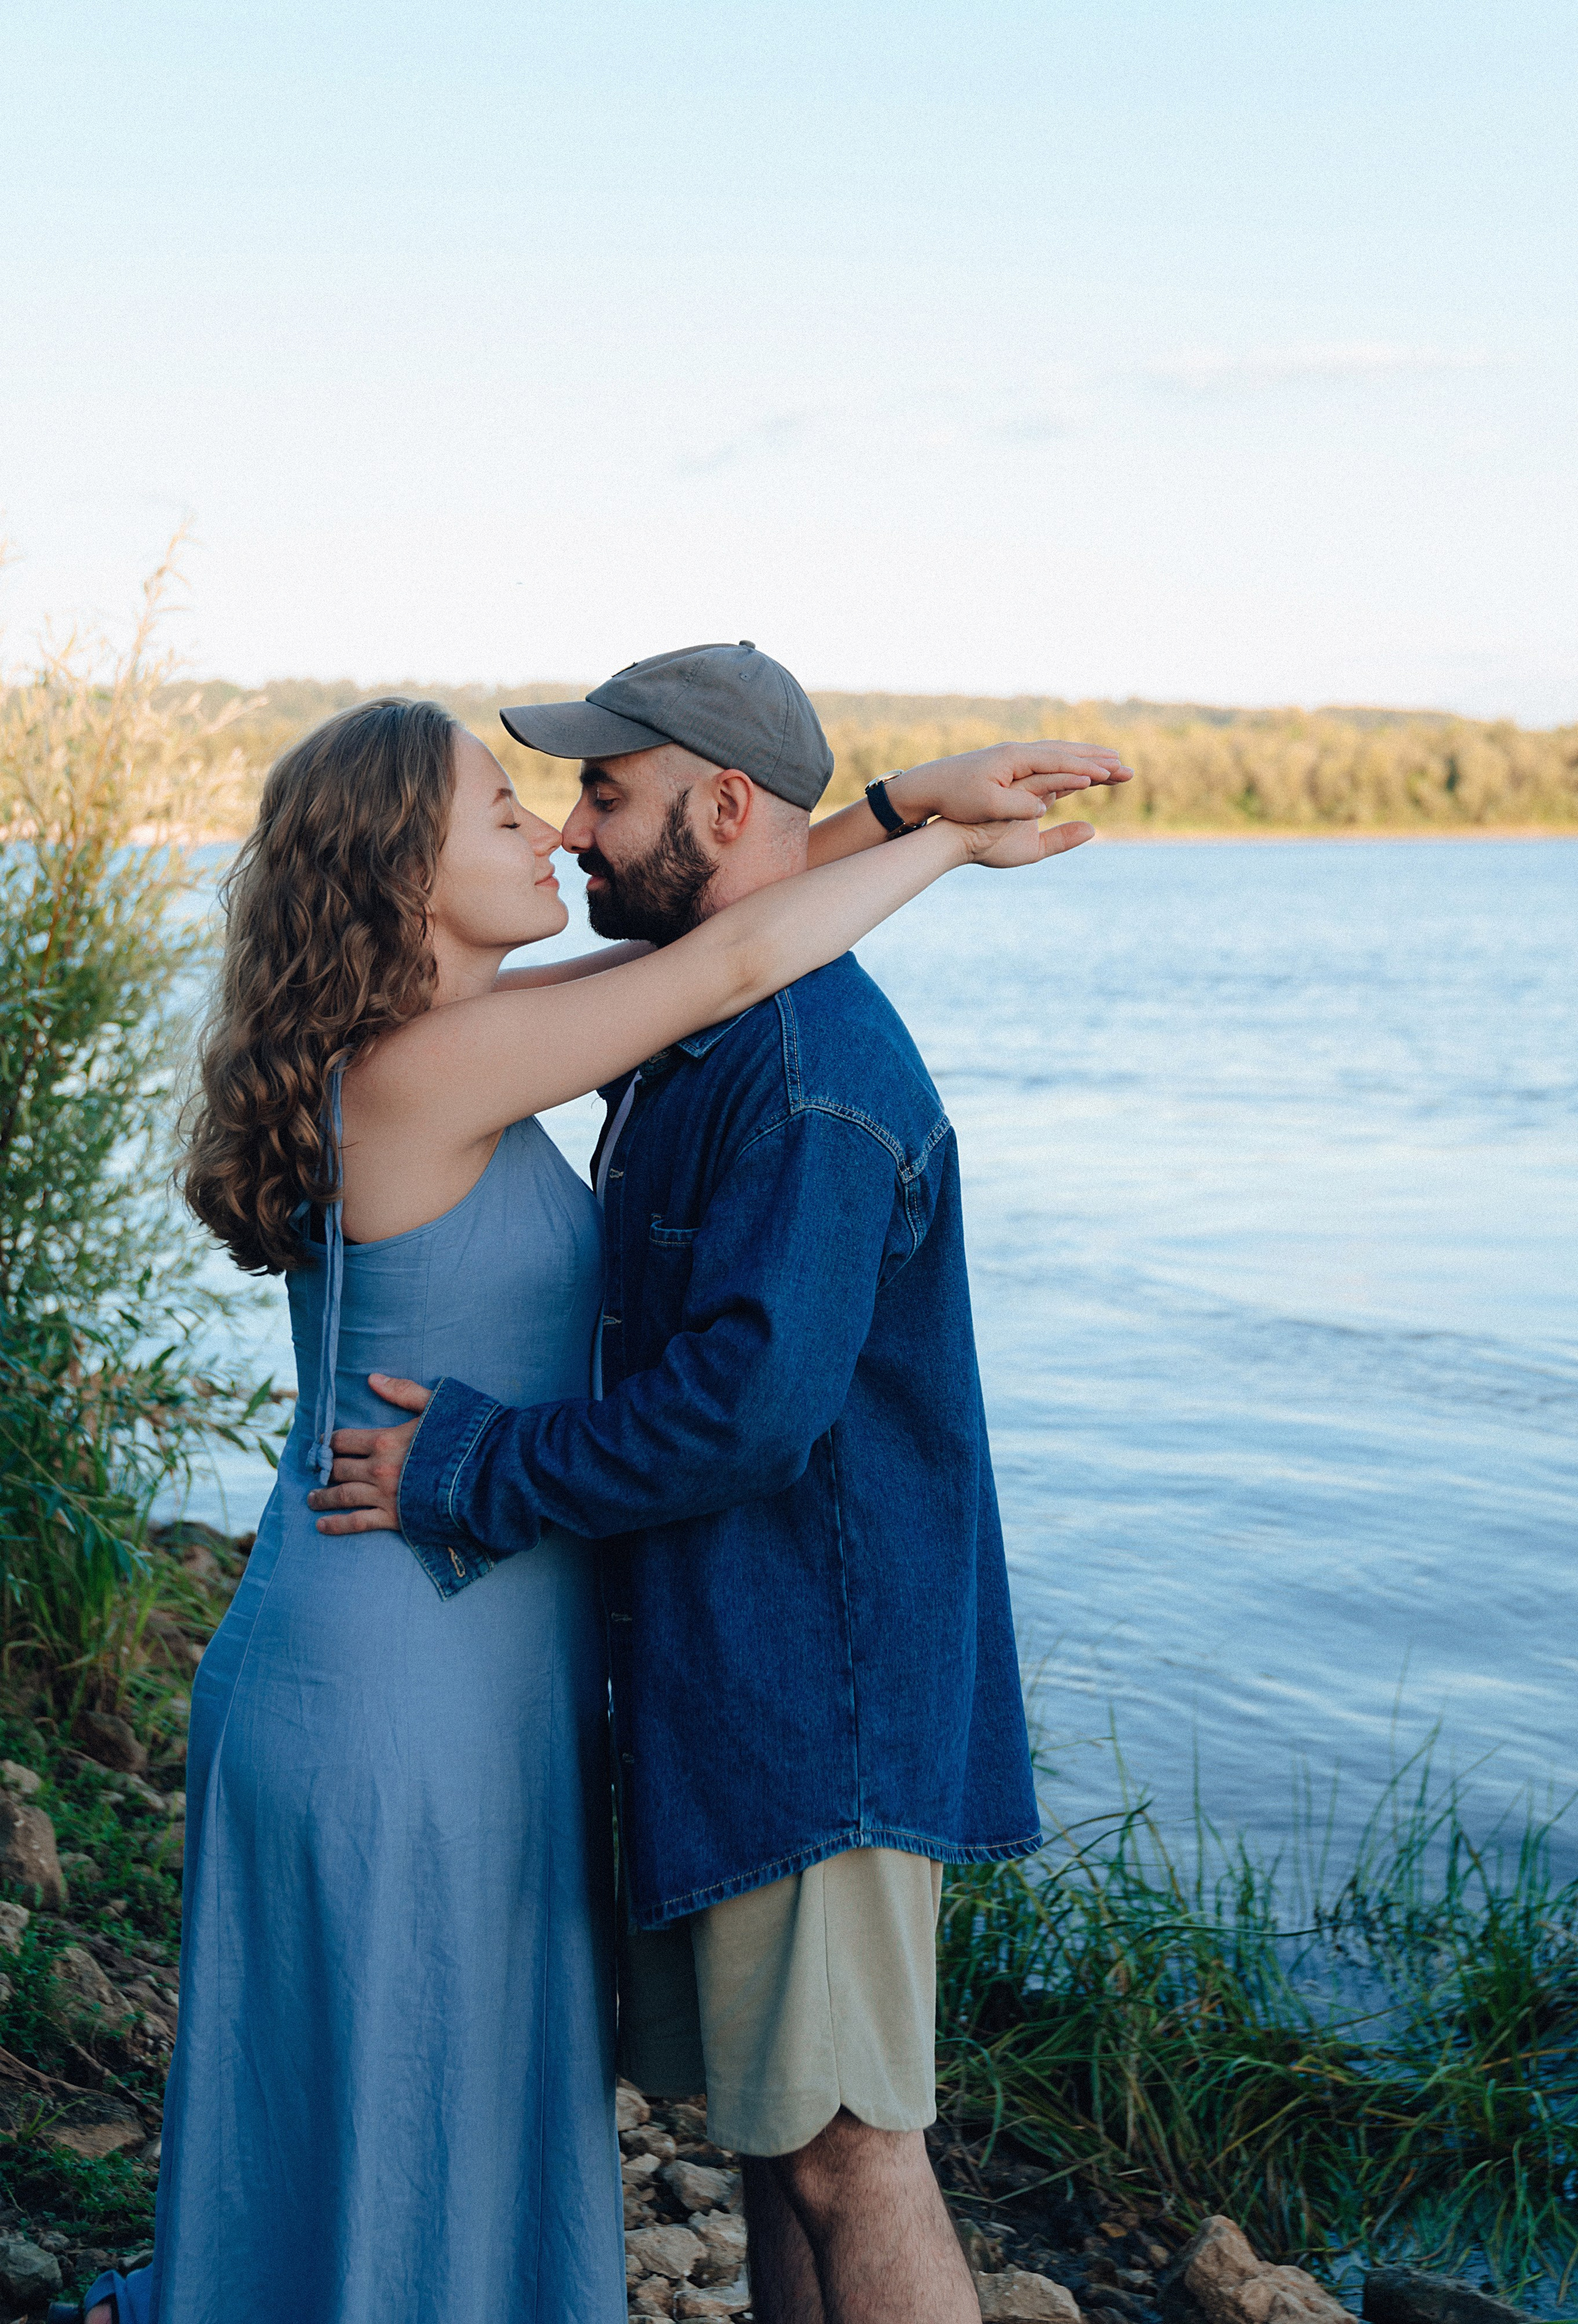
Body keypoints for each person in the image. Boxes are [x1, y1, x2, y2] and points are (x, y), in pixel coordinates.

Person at [63, 669, 1120, 2324]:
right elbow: (737, 952)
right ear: (404, 876)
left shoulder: (466, 1041)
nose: (550, 826)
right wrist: (952, 848)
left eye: (570, 802)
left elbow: (727, 921)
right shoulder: (427, 1070)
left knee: (429, 2084)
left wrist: (908, 810)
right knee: (410, 2083)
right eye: (506, 813)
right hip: (399, 1656)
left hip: (448, 1641)